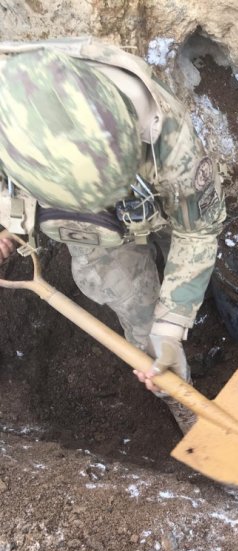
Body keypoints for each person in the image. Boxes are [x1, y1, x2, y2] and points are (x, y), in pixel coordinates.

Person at [0, 37, 226, 433]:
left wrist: (171, 327)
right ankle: (177, 392)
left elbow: (198, 233)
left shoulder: (170, 144)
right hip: (93, 236)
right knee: (141, 320)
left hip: (154, 204)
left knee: (180, 273)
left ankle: (188, 322)